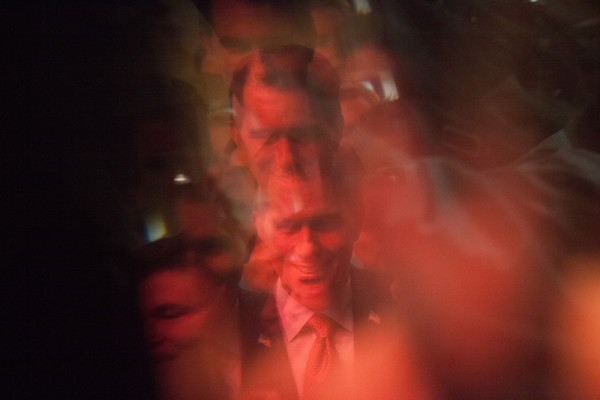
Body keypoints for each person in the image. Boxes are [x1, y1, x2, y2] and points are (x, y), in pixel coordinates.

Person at [239, 170, 435, 400]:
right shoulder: (233, 327)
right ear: (261, 228)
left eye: (324, 223)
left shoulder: (407, 308)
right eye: (287, 226)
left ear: (356, 219)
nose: (307, 248)